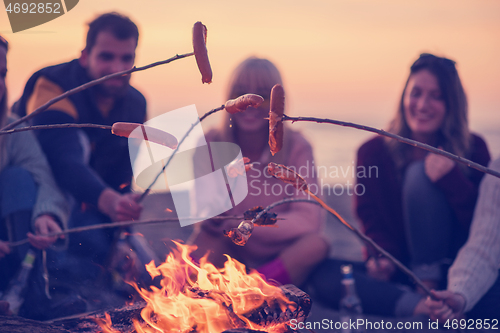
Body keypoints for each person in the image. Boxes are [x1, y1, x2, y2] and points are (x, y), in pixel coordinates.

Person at [13, 13, 145, 285]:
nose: (117, 67)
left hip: (91, 205)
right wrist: (111, 203)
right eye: (106, 57)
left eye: (126, 58)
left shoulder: (135, 103)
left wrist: (122, 231)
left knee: (147, 267)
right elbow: (63, 161)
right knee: (84, 257)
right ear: (85, 56)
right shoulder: (52, 85)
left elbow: (123, 176)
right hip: (37, 198)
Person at [189, 57, 329, 287]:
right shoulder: (210, 143)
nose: (251, 104)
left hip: (282, 254)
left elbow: (309, 220)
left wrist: (246, 225)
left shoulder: (297, 145)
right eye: (241, 93)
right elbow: (204, 214)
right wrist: (210, 218)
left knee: (316, 245)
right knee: (203, 240)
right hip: (231, 250)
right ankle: (174, 296)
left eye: (263, 95)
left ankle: (256, 289)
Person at [355, 53, 490, 291]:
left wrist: (453, 181)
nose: (422, 105)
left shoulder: (474, 149)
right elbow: (370, 219)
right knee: (326, 279)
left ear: (452, 104)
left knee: (419, 175)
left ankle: (427, 289)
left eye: (436, 96)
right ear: (404, 97)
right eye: (415, 93)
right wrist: (382, 258)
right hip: (400, 271)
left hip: (458, 275)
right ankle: (416, 298)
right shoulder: (372, 152)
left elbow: (485, 229)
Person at [0, 35, 69, 316]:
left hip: (8, 249)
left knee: (19, 178)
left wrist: (47, 215)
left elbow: (43, 177)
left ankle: (29, 291)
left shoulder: (11, 129)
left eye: (1, 73)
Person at [425, 157, 500, 321]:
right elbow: (485, 245)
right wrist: (460, 295)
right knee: (482, 304)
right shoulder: (498, 167)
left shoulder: (476, 147)